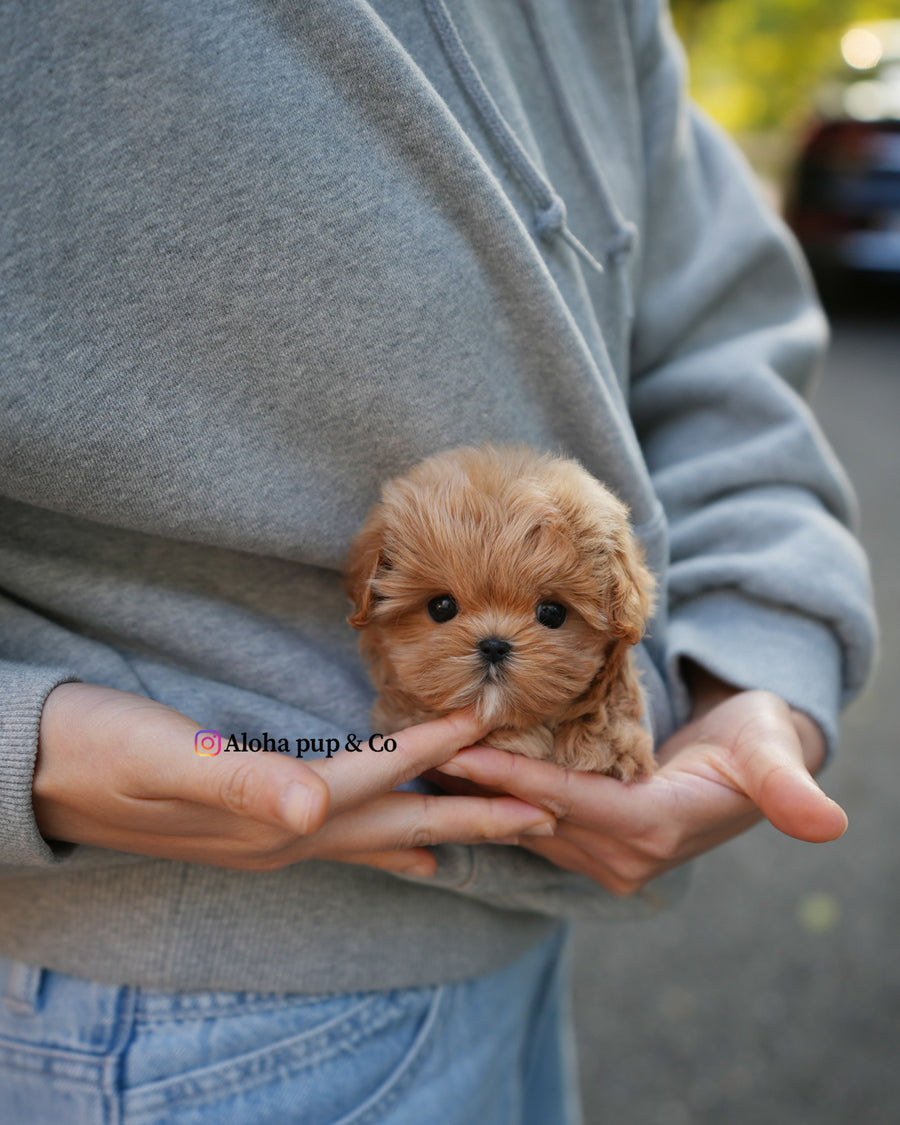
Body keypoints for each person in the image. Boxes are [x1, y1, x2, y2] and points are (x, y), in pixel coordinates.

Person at [0, 0, 876, 1121]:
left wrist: (757, 666)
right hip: (174, 977)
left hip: (530, 928)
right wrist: (28, 746)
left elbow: (724, 338)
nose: (495, 642)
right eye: (445, 606)